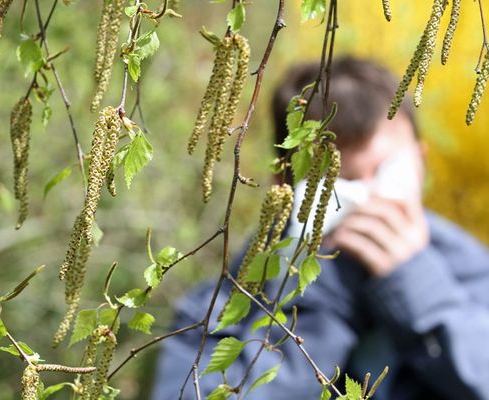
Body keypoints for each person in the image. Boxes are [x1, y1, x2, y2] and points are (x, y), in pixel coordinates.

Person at [152, 56, 489, 400]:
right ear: (287, 186)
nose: (372, 206)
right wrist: (318, 298)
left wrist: (421, 295)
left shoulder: (474, 276)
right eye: (345, 188)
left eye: (390, 175)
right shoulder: (214, 315)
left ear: (421, 162)